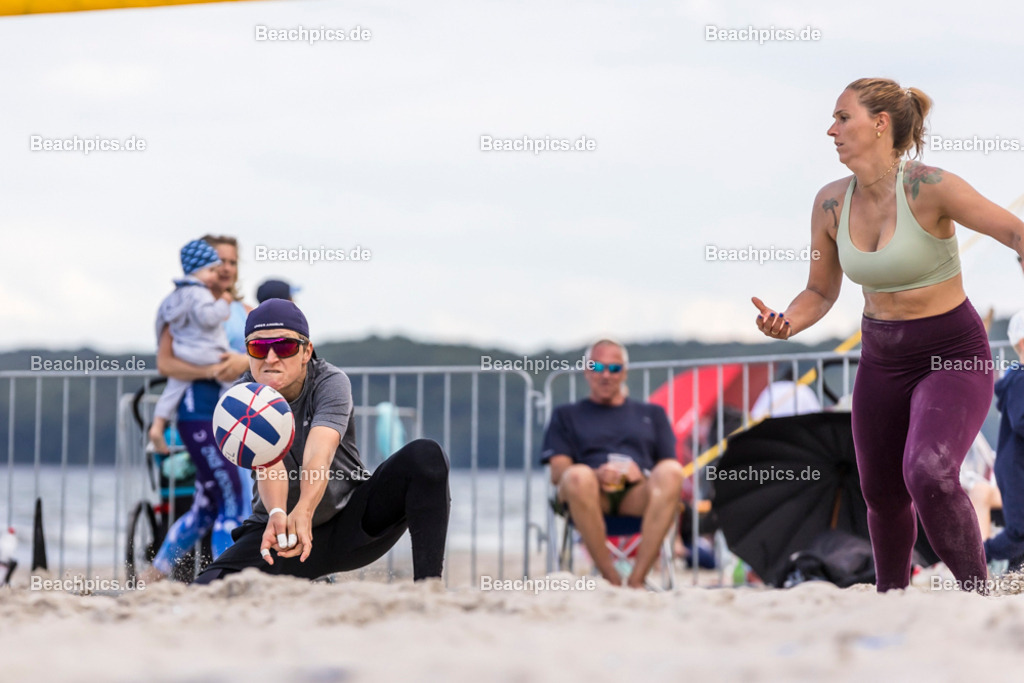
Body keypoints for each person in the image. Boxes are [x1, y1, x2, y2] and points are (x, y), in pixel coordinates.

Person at [752, 78, 1024, 593]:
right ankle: (891, 598)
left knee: (929, 473)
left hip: (952, 355)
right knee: (880, 490)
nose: (831, 129)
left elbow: (1014, 232)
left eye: (842, 117)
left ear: (881, 124)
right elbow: (819, 290)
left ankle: (977, 593)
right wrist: (786, 320)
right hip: (882, 359)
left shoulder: (931, 186)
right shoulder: (830, 204)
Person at [194, 299, 450, 583]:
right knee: (205, 587)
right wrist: (279, 513)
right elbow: (270, 463)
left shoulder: (329, 381)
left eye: (284, 346)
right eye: (258, 347)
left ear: (306, 352)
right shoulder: (242, 394)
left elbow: (319, 454)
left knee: (426, 455)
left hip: (349, 524)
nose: (270, 358)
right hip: (281, 533)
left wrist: (304, 509)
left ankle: (429, 587)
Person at [144, 240, 248, 581]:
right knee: (233, 502)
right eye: (220, 262)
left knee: (207, 508)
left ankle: (155, 574)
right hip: (200, 412)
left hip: (234, 416)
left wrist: (240, 362)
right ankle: (222, 577)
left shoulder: (244, 310)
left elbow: (260, 360)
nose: (226, 268)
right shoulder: (193, 302)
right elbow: (167, 362)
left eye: (231, 262)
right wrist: (212, 370)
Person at [541, 339, 683, 588]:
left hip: (636, 495)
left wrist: (639, 475)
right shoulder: (566, 415)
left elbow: (668, 467)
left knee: (671, 472)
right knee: (578, 476)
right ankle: (612, 578)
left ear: (624, 372)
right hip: (588, 495)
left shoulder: (652, 414)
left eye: (614, 368)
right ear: (586, 370)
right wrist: (596, 475)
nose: (605, 375)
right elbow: (557, 472)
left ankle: (637, 578)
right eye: (597, 367)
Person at [149, 240, 232, 437]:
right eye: (212, 270)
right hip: (208, 352)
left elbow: (160, 323)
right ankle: (228, 418)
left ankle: (157, 426)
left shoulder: (175, 296)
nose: (215, 275)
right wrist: (223, 304)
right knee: (232, 381)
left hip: (183, 352)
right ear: (198, 270)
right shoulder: (200, 293)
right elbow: (208, 318)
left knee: (172, 391)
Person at [983, 311, 1024, 571]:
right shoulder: (1019, 378)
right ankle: (975, 557)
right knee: (1020, 531)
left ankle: (1014, 573)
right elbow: (1021, 421)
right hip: (1015, 469)